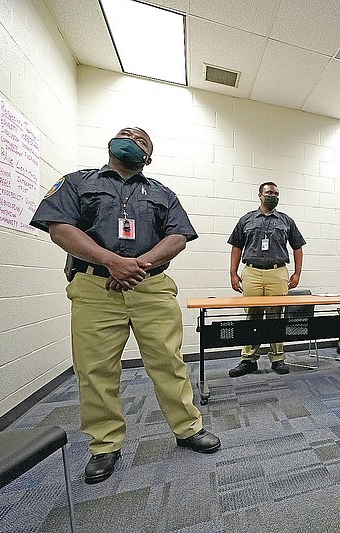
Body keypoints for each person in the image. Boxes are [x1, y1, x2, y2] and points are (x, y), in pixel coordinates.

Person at [30, 127, 221, 485]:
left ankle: (187, 428)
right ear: (110, 145)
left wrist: (135, 266)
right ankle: (105, 445)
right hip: (94, 288)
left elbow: (177, 237)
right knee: (95, 369)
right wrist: (111, 261)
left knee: (169, 362)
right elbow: (59, 228)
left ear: (148, 157)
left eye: (141, 140)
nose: (131, 137)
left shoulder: (163, 193)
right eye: (124, 134)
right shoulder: (76, 182)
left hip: (151, 288)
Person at [228, 182, 306, 377]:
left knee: (275, 315)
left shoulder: (286, 220)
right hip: (251, 272)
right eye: (269, 193)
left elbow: (298, 247)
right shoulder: (246, 219)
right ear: (260, 196)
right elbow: (236, 247)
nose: (273, 196)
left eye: (276, 193)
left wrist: (297, 273)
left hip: (277, 272)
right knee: (252, 315)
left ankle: (278, 358)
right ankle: (248, 359)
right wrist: (233, 273)